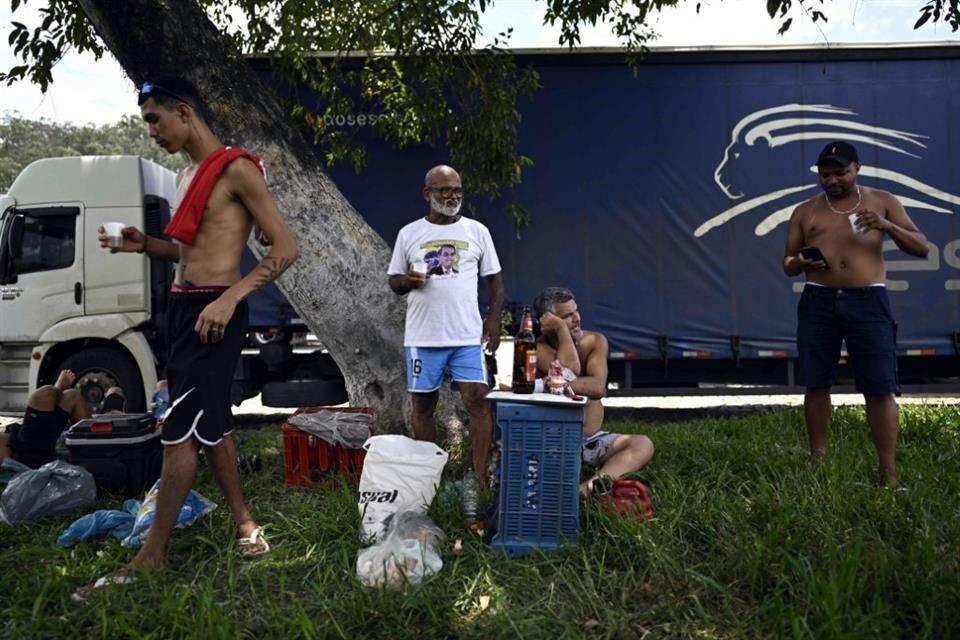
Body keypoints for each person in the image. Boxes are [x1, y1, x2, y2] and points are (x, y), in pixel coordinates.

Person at [73, 76, 298, 601]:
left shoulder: (237, 168)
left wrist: (229, 299)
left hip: (213, 313)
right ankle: (245, 524)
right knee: (210, 424)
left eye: (155, 119)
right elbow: (191, 253)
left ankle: (148, 559)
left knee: (177, 430)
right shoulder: (186, 176)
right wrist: (144, 244)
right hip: (183, 308)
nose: (151, 131)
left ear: (184, 112)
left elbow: (285, 247)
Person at [783, 140, 929, 485]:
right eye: (826, 174)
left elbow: (921, 247)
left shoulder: (883, 202)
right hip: (818, 299)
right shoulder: (806, 211)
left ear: (857, 169)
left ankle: (887, 470)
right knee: (816, 381)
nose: (832, 180)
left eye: (840, 173)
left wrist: (886, 226)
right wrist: (800, 262)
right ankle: (818, 461)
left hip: (868, 299)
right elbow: (788, 263)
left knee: (879, 386)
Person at [387, 165, 504, 514]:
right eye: (443, 190)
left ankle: (481, 480)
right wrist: (408, 281)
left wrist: (494, 319)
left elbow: (495, 280)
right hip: (423, 338)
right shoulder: (410, 234)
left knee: (478, 402)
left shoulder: (477, 231)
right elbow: (393, 281)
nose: (452, 196)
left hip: (466, 336)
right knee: (423, 406)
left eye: (457, 190)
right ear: (427, 194)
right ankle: (429, 480)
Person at [532, 287, 654, 496]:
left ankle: (587, 489)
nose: (576, 319)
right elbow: (570, 370)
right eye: (566, 317)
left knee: (642, 443)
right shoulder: (538, 349)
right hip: (556, 441)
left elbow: (597, 388)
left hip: (592, 439)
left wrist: (551, 383)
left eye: (576, 311)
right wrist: (562, 330)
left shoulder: (595, 341)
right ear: (548, 322)